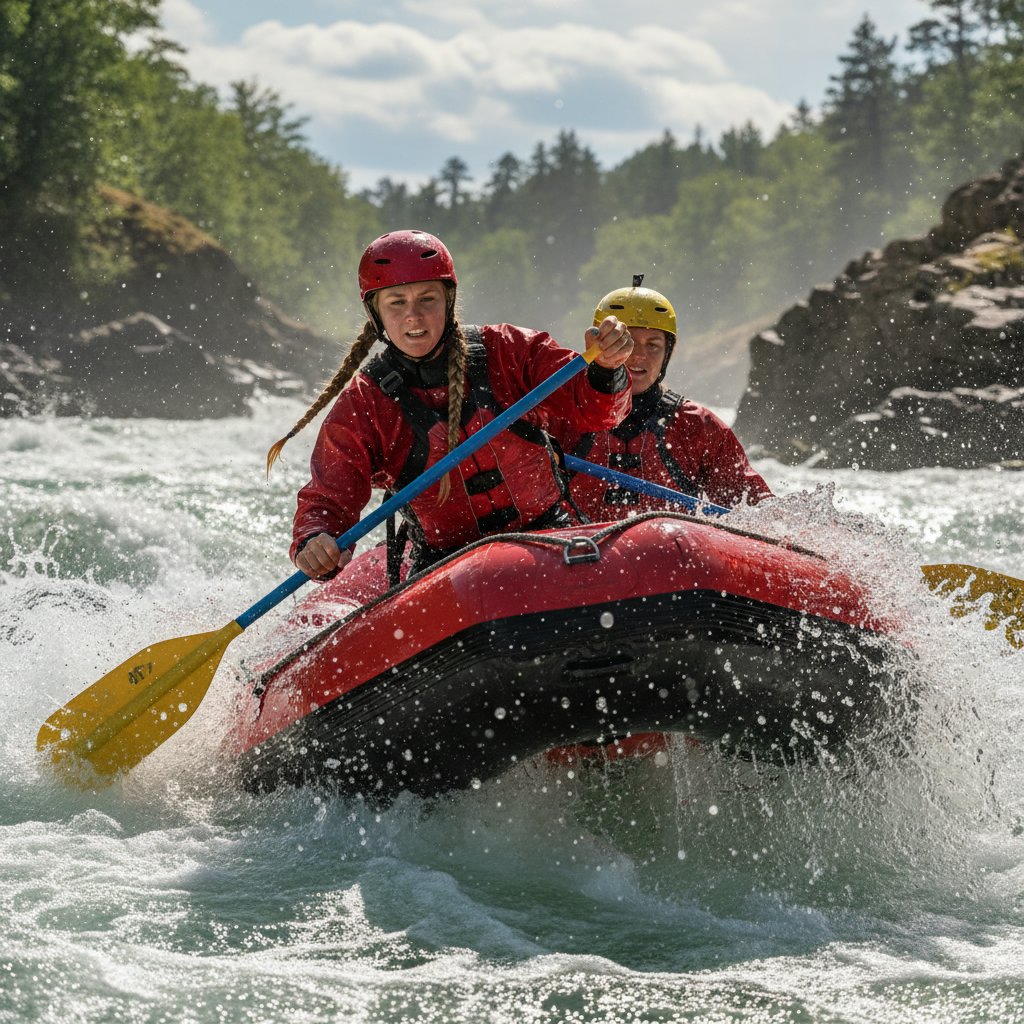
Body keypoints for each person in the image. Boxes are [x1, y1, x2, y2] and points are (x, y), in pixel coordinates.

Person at [266, 229, 634, 579]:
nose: (414, 315)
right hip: (446, 567)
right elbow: (328, 497)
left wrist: (605, 368)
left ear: (449, 301)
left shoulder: (508, 350)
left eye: (427, 299)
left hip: (550, 538)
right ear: (376, 315)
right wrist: (316, 538)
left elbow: (597, 411)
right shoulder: (365, 404)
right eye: (397, 303)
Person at [561, 276, 772, 523]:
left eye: (653, 345)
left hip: (668, 553)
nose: (639, 356)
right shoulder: (561, 416)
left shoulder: (697, 426)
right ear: (598, 346)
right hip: (572, 553)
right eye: (626, 342)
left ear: (667, 354)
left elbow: (757, 512)